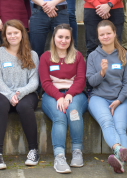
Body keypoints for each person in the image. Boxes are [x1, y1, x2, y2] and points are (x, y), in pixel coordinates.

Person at [0, 20, 40, 169]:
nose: (12, 36)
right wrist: (10, 94)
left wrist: (19, 93)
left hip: (26, 93)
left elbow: (34, 82)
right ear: (5, 35)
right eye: (9, 33)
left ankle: (34, 150)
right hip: (2, 92)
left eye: (16, 33)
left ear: (22, 34)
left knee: (25, 107)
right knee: (0, 104)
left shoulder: (32, 54)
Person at [39, 24, 87, 174]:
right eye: (60, 37)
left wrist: (69, 95)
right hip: (52, 95)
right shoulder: (46, 57)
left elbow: (80, 80)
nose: (63, 40)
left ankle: (77, 151)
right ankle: (59, 156)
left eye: (67, 37)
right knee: (59, 116)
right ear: (54, 38)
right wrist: (60, 96)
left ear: (71, 39)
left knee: (73, 112)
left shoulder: (78, 56)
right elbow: (46, 82)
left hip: (76, 94)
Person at [87, 20, 127, 173]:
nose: (105, 36)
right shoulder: (93, 56)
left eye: (108, 33)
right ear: (98, 37)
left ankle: (120, 162)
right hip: (98, 97)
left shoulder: (124, 55)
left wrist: (119, 101)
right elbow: (91, 82)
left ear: (114, 34)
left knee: (120, 128)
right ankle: (119, 149)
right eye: (102, 34)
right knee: (107, 122)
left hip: (120, 99)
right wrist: (102, 72)